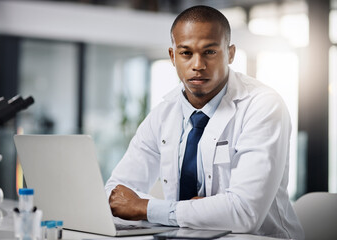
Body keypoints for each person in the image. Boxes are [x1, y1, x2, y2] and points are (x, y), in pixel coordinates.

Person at [105, 5, 304, 239]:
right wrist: (200, 211)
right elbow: (116, 192)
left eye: (209, 52)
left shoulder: (263, 106)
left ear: (230, 54)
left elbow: (244, 213)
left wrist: (145, 207)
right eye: (186, 53)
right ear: (172, 56)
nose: (197, 65)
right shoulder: (163, 113)